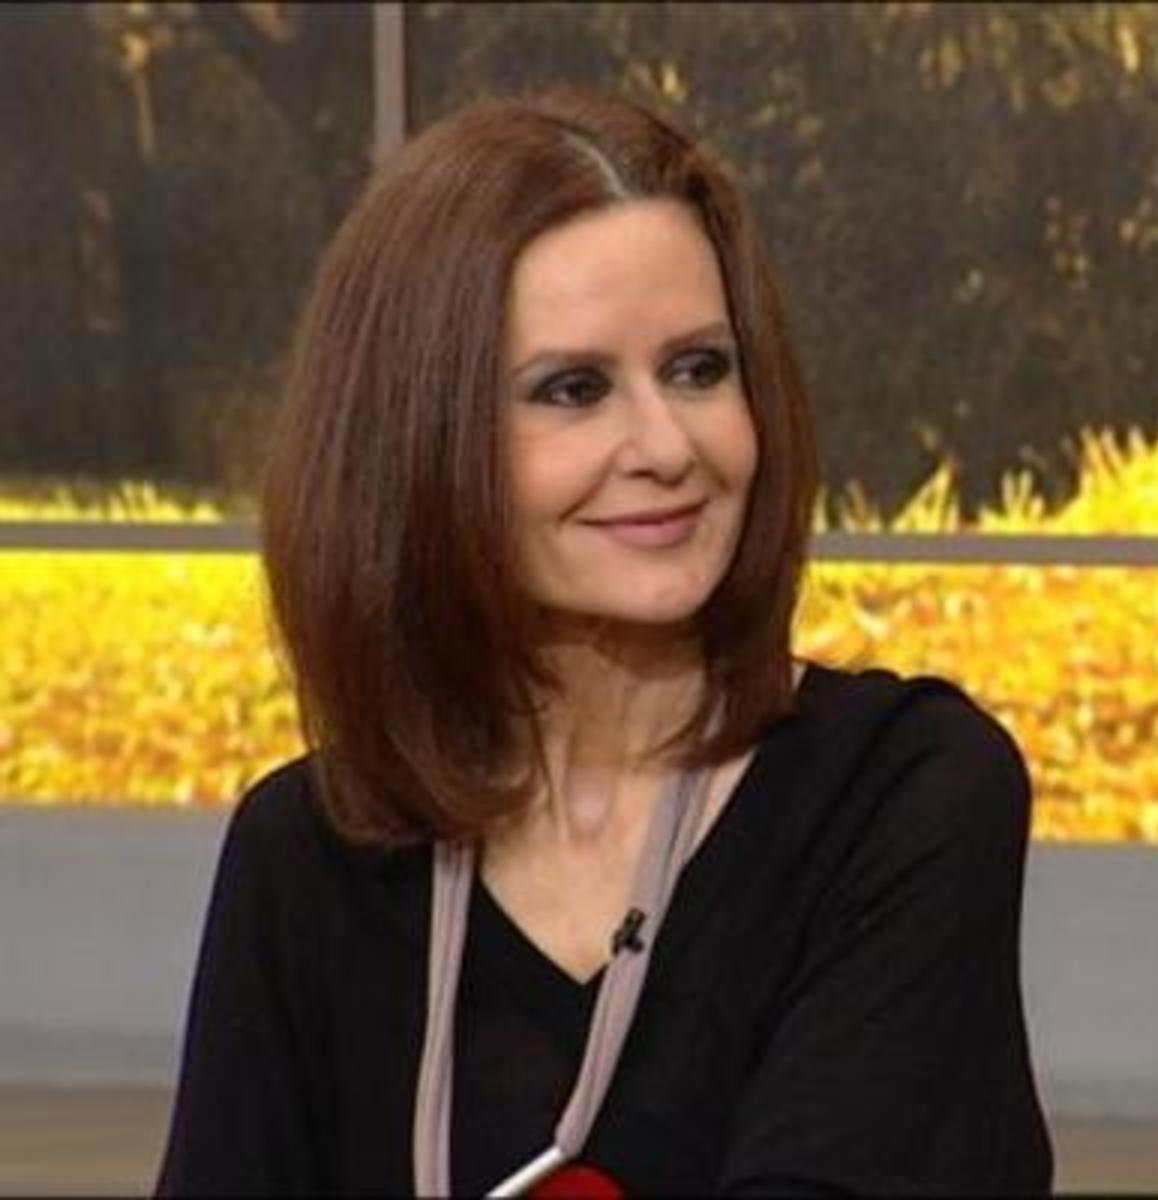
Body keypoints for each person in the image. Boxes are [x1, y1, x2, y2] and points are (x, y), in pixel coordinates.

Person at [156, 89, 1053, 1197]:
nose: (665, 446)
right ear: (419, 438)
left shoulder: (904, 794)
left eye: (699, 369)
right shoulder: (311, 854)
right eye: (574, 390)